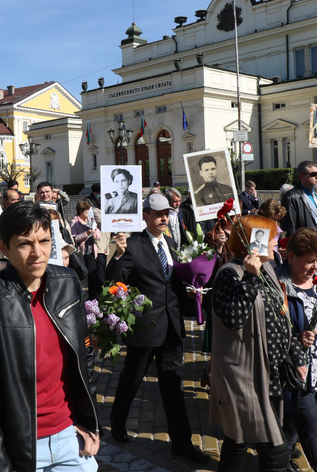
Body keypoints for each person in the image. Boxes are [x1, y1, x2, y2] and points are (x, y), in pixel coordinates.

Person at [0, 202, 100, 471]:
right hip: (21, 448)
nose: (38, 253)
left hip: (70, 438)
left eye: (45, 241)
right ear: (4, 247)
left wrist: (87, 420)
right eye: (25, 244)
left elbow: (84, 358)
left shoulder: (68, 283)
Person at [105, 193, 208, 464]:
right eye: (158, 213)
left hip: (172, 326)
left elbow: (174, 283)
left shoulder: (173, 244)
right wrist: (117, 255)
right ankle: (117, 420)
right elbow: (115, 282)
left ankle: (182, 442)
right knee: (131, 379)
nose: (164, 217)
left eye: (166, 213)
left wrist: (190, 292)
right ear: (146, 216)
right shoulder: (133, 244)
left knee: (173, 386)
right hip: (145, 327)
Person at [210, 215, 304, 471]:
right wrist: (250, 278)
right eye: (272, 236)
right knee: (276, 451)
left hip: (270, 373)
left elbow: (281, 315)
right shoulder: (229, 274)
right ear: (254, 241)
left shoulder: (269, 269)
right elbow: (233, 318)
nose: (277, 240)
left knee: (238, 438)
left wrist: (297, 354)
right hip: (244, 377)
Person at [276, 228, 317, 472]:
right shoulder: (280, 286)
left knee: (291, 423)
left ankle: (277, 461)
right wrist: (295, 337)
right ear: (290, 257)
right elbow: (269, 330)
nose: (315, 266)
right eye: (309, 260)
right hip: (295, 371)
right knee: (313, 428)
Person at [281, 161, 317, 275]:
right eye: (313, 174)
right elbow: (290, 230)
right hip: (308, 257)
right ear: (301, 176)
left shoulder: (316, 195)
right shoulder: (292, 197)